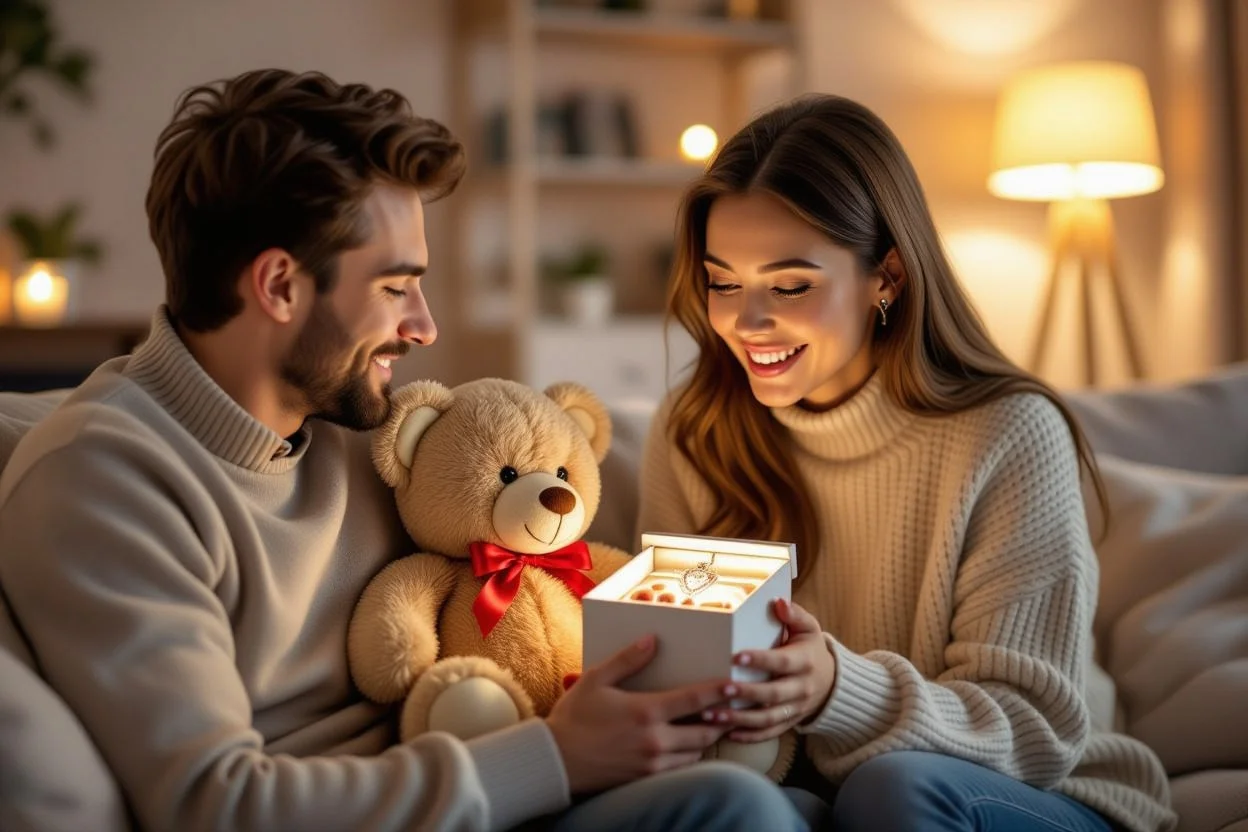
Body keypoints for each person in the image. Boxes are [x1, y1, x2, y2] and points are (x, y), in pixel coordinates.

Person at [0, 69, 808, 832]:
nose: (424, 327)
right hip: (434, 799)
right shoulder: (102, 479)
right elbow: (220, 805)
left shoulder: (358, 430)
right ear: (279, 286)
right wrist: (556, 756)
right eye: (395, 288)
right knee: (737, 814)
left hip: (484, 782)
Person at [638, 93, 1177, 832]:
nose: (744, 320)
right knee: (752, 810)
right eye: (723, 281)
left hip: (1050, 794)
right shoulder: (695, 430)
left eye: (790, 285)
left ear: (885, 275)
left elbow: (1035, 731)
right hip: (827, 791)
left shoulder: (1009, 435)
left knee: (892, 791)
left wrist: (836, 690)